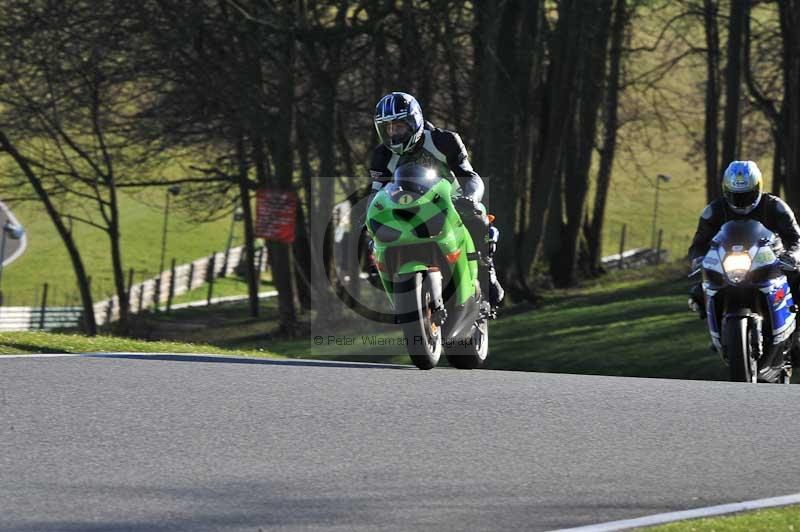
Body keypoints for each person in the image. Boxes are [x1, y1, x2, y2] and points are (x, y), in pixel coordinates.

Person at [369, 91, 504, 308]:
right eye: (389, 128)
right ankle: (391, 282)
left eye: (400, 126)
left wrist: (469, 198)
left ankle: (486, 268)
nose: (394, 133)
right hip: (406, 209)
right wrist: (364, 217)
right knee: (372, 240)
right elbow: (375, 193)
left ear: (414, 122)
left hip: (451, 202)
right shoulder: (381, 155)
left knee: (478, 216)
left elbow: (470, 176)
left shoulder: (445, 140)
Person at [688, 160, 800, 317]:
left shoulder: (776, 206)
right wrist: (697, 259)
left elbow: (795, 237)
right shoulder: (714, 210)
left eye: (747, 195)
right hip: (727, 263)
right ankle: (718, 336)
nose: (741, 201)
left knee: (797, 278)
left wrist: (792, 256)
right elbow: (698, 243)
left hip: (771, 259)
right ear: (726, 190)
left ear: (758, 188)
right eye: (735, 196)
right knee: (698, 292)